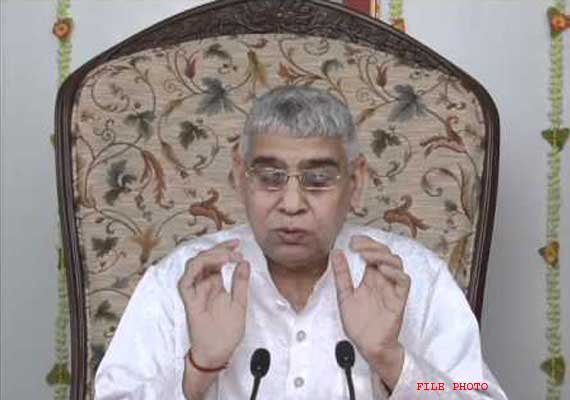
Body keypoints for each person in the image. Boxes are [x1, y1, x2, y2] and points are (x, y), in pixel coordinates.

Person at [95, 86, 507, 399]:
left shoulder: (415, 278)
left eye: (318, 179)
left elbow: (474, 390)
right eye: (270, 178)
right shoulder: (183, 281)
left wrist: (392, 360)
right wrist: (197, 368)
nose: (291, 204)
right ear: (240, 176)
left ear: (356, 181)